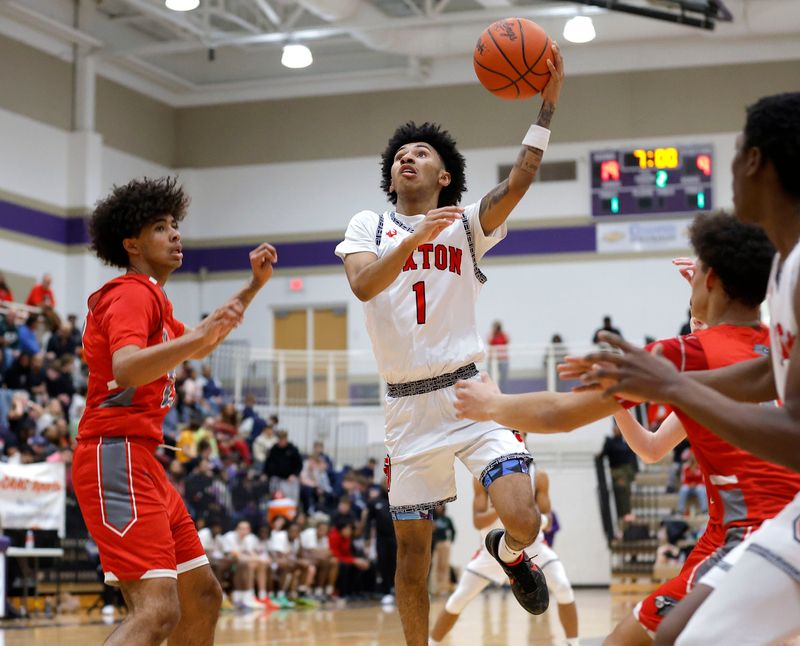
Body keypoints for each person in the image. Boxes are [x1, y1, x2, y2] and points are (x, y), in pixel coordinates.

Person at [452, 211, 800, 645]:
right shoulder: (780, 348)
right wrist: (618, 403)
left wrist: (493, 404)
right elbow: (652, 449)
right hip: (760, 528)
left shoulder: (688, 354)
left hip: (751, 533)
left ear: (710, 280)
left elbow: (560, 414)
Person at [334, 44, 564, 645]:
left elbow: (520, 179)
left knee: (525, 518)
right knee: (412, 560)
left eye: (421, 153)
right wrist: (412, 241)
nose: (406, 158)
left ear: (444, 176)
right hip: (406, 409)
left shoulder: (466, 225)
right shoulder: (368, 225)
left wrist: (547, 106)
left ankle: (510, 554)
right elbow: (363, 284)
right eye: (400, 155)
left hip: (470, 395)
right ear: (391, 176)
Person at [567, 93, 800, 646]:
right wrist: (639, 391)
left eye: (736, 150)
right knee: (678, 633)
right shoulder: (778, 286)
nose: (729, 165)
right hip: (756, 528)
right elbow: (754, 374)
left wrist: (492, 405)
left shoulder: (731, 329)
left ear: (756, 161)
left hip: (756, 524)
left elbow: (779, 408)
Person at [70, 177, 277, 646]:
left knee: (201, 596)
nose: (175, 234)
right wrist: (197, 337)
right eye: (161, 227)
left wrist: (252, 287)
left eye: (175, 225)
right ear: (132, 244)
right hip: (114, 455)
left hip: (142, 459)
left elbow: (201, 342)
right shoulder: (130, 293)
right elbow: (126, 368)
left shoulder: (155, 299)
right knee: (157, 611)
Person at [430, 468, 580, 646]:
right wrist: (505, 508)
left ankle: (573, 643)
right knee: (458, 599)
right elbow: (477, 521)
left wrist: (533, 516)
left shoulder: (538, 476)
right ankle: (431, 642)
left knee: (563, 587)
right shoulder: (482, 477)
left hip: (532, 547)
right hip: (492, 551)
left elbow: (549, 521)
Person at [599, 420, 638, 519]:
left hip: (627, 470)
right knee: (622, 491)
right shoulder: (609, 442)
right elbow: (602, 454)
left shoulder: (624, 441)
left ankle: (627, 512)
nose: (617, 430)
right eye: (615, 428)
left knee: (627, 491)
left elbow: (631, 455)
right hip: (618, 470)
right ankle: (625, 513)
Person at [676, 450, 707, 516]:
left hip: (698, 485)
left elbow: (703, 480)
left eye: (694, 457)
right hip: (688, 486)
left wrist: (696, 484)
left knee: (701, 490)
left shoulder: (701, 466)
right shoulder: (685, 466)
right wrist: (689, 484)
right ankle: (680, 510)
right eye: (691, 457)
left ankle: (704, 510)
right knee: (683, 489)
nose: (693, 459)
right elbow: (683, 479)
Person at [488, 321, 510, 391]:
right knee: (492, 376)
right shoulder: (491, 335)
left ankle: (503, 391)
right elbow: (489, 341)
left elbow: (507, 341)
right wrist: (493, 333)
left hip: (503, 359)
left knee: (503, 378)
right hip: (493, 359)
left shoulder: (503, 335)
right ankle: (492, 390)